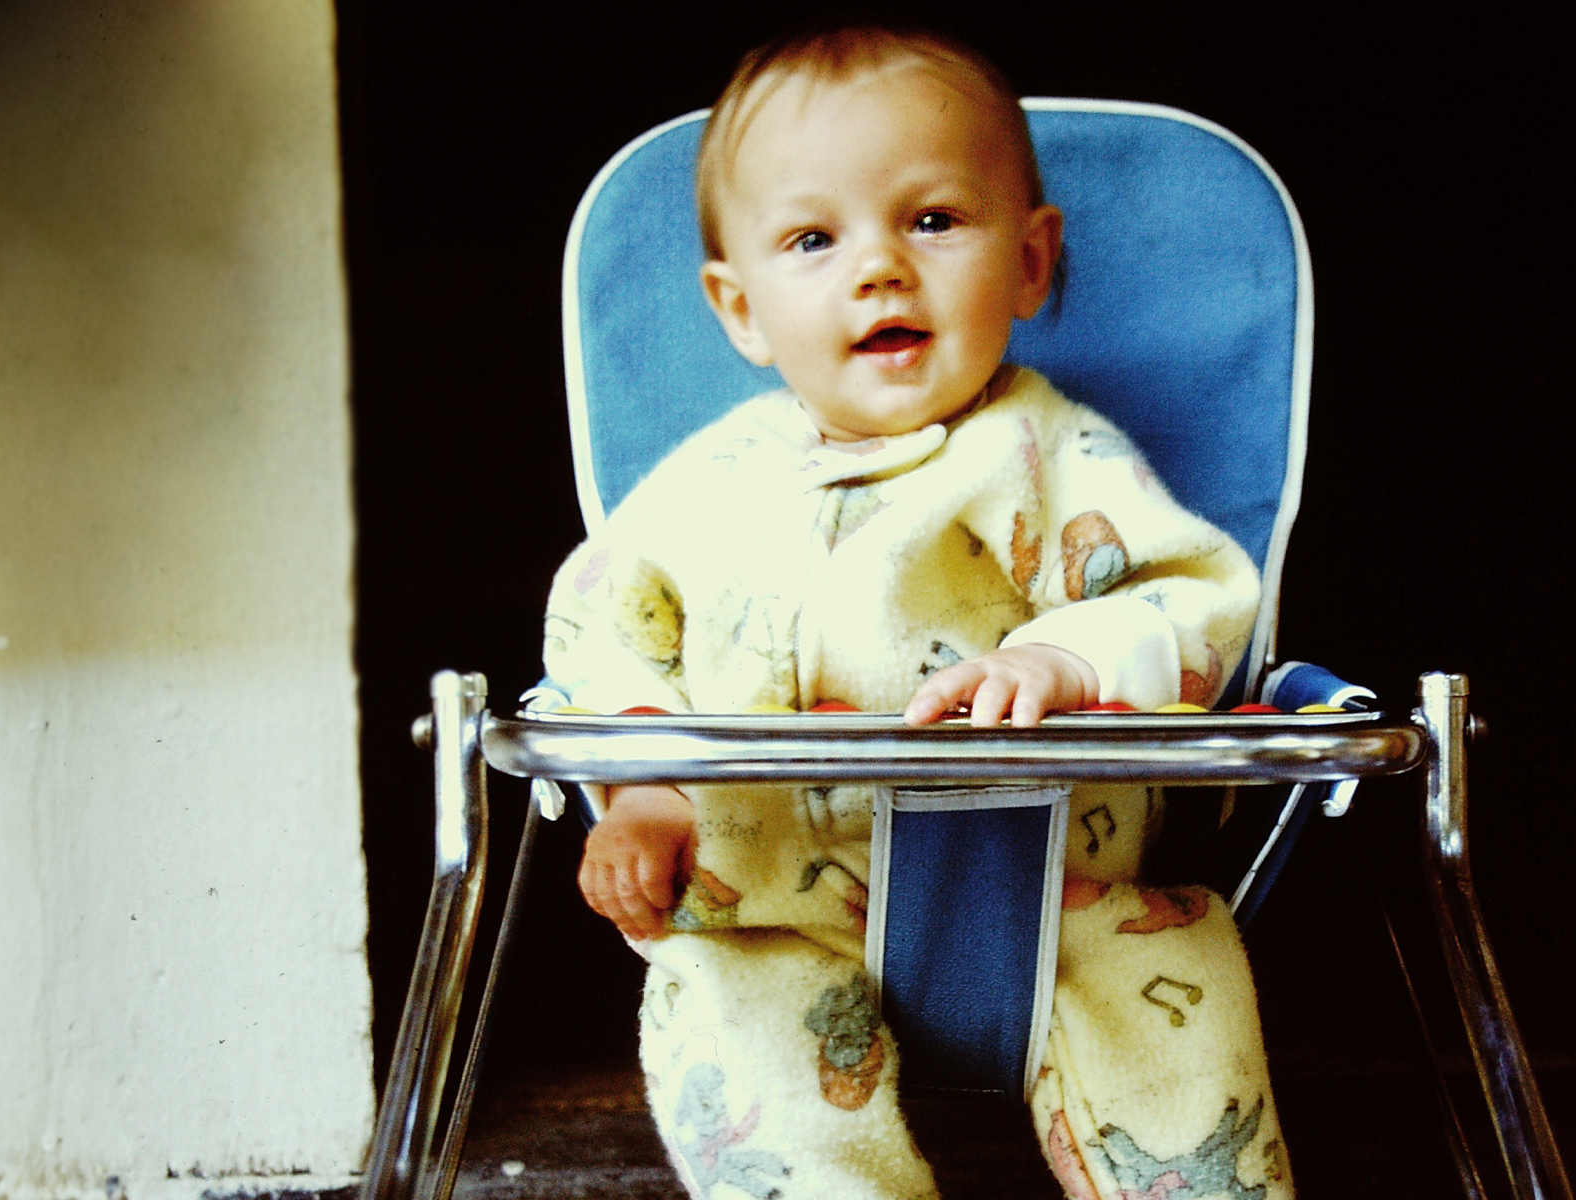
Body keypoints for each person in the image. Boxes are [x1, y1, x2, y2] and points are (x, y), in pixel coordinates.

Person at [543, 22, 1291, 1199]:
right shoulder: (701, 493)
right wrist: (644, 789)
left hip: (1054, 894)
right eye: (811, 239)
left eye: (933, 220)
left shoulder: (1051, 452)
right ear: (739, 310)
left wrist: (1062, 657)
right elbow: (604, 627)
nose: (880, 268)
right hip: (772, 911)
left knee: (1178, 1024)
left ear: (1032, 263)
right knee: (735, 1044)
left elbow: (1194, 595)